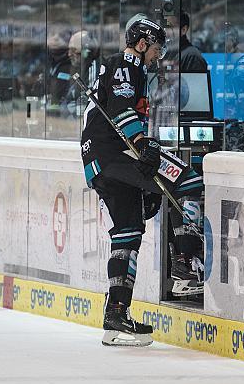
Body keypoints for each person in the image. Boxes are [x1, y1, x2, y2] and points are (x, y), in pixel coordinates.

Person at [80, 17, 203, 346]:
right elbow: (122, 111)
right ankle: (186, 268)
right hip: (117, 153)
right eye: (157, 48)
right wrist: (144, 145)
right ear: (142, 43)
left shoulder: (118, 67)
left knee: (128, 231)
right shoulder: (126, 65)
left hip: (98, 162)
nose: (157, 56)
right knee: (188, 180)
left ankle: (116, 315)